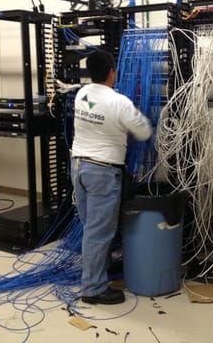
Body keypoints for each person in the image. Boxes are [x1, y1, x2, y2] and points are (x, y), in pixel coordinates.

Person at [71, 50, 152, 305]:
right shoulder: (119, 102)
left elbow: (98, 123)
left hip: (79, 167)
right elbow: (145, 131)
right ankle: (93, 288)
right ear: (111, 72)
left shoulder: (81, 95)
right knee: (99, 231)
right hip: (102, 172)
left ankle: (98, 271)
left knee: (91, 227)